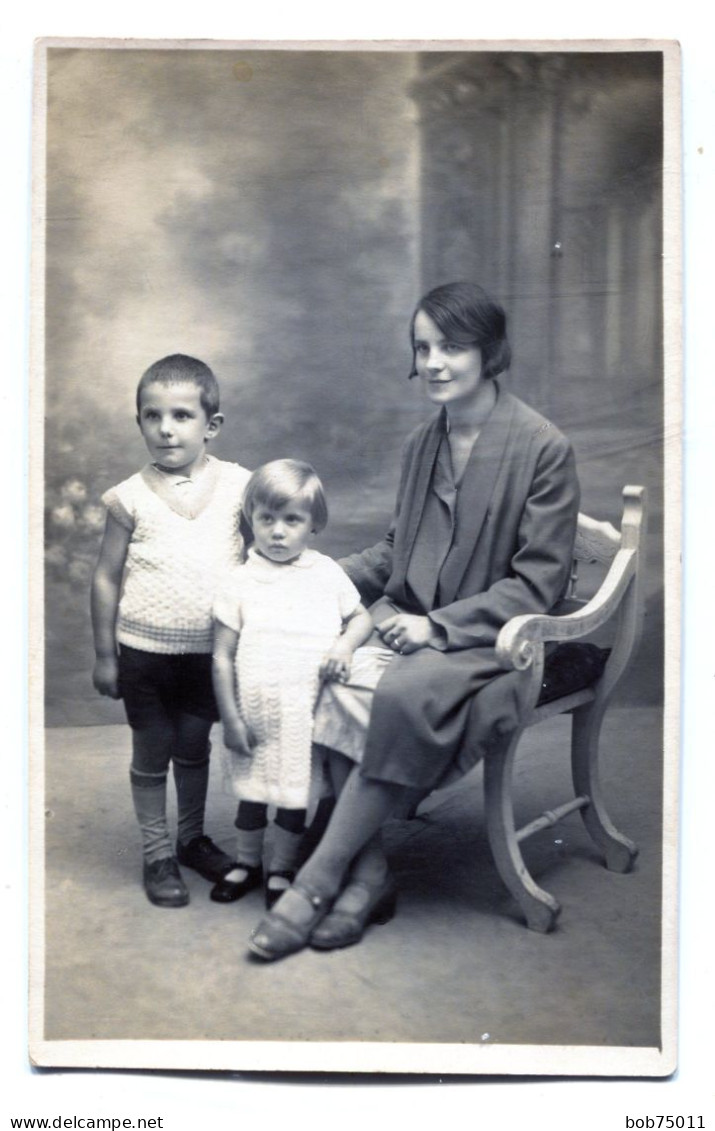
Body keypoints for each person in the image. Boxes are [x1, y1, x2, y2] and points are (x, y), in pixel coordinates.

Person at [248, 281, 581, 960]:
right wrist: (306, 579)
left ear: (488, 351)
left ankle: (317, 880)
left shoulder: (542, 449)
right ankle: (369, 872)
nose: (432, 362)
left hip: (497, 644)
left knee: (398, 692)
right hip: (413, 622)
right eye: (422, 347)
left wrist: (439, 628)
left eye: (450, 346)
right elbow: (396, 552)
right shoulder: (422, 444)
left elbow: (539, 586)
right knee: (324, 669)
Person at [91, 353, 251, 908]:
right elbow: (107, 578)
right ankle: (157, 851)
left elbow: (263, 565)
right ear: (139, 422)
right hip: (144, 654)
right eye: (151, 415)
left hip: (210, 654)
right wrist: (105, 655)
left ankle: (190, 839)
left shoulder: (239, 488)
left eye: (182, 415)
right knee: (153, 748)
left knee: (193, 744)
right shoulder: (128, 498)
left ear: (212, 425)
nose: (165, 428)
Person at [210, 459, 373, 909]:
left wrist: (343, 648)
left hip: (305, 715)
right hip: (255, 714)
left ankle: (281, 869)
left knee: (293, 797)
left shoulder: (324, 574)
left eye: (292, 520)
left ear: (313, 524)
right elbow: (222, 656)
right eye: (267, 519)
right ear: (251, 520)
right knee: (252, 794)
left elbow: (361, 618)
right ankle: (248, 863)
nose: (277, 532)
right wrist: (230, 717)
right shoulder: (239, 581)